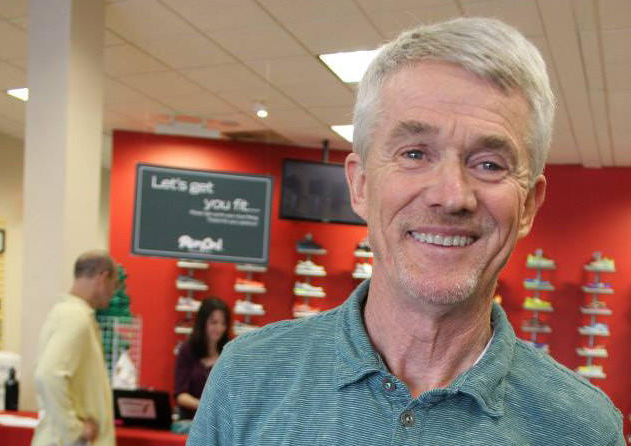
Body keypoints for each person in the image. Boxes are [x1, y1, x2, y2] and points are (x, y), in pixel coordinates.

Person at [187, 17, 624, 445]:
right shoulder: (247, 377)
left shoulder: (585, 430)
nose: (452, 196)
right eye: (414, 154)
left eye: (490, 164)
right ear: (360, 185)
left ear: (528, 205)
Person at [32, 251, 120, 446]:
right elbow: (48, 375)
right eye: (114, 285)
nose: (113, 294)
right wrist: (75, 429)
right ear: (103, 277)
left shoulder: (66, 313)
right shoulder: (76, 317)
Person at [174, 297, 230, 420]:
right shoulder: (187, 350)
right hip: (191, 421)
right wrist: (207, 407)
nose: (219, 328)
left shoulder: (229, 353)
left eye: (223, 323)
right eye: (214, 322)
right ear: (202, 322)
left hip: (220, 423)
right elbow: (181, 395)